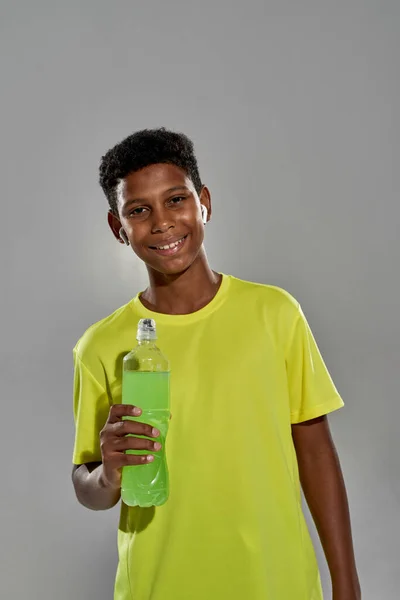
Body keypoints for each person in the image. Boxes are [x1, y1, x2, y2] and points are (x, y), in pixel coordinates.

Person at [71, 128, 361, 600]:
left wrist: (346, 586)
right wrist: (106, 473)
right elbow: (89, 487)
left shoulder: (274, 313)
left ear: (204, 202)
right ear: (117, 228)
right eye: (138, 210)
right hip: (158, 585)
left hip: (276, 583)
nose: (162, 222)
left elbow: (316, 454)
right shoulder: (100, 346)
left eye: (176, 199)